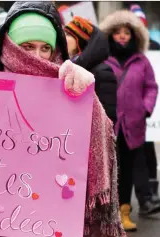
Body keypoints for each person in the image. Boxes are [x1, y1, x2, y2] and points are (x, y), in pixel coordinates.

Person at [0, 2, 125, 237]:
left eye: (45, 48)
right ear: (10, 45)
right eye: (27, 46)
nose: (37, 57)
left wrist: (85, 98)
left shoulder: (69, 84)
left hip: (55, 214)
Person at [100, 9, 160, 232]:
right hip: (108, 124)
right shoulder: (103, 59)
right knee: (108, 171)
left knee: (127, 169)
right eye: (117, 32)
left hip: (133, 125)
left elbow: (151, 87)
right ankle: (108, 213)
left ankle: (124, 212)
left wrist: (145, 108)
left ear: (134, 35)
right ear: (110, 35)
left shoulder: (141, 61)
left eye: (126, 32)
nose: (122, 36)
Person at [129, 3, 160, 203]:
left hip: (148, 111)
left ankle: (151, 190)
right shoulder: (123, 48)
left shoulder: (156, 48)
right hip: (130, 109)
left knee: (147, 149)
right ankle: (139, 196)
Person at [64, 16, 117, 123]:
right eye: (64, 33)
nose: (64, 37)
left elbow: (107, 117)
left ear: (80, 41)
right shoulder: (65, 66)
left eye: (69, 35)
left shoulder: (102, 72)